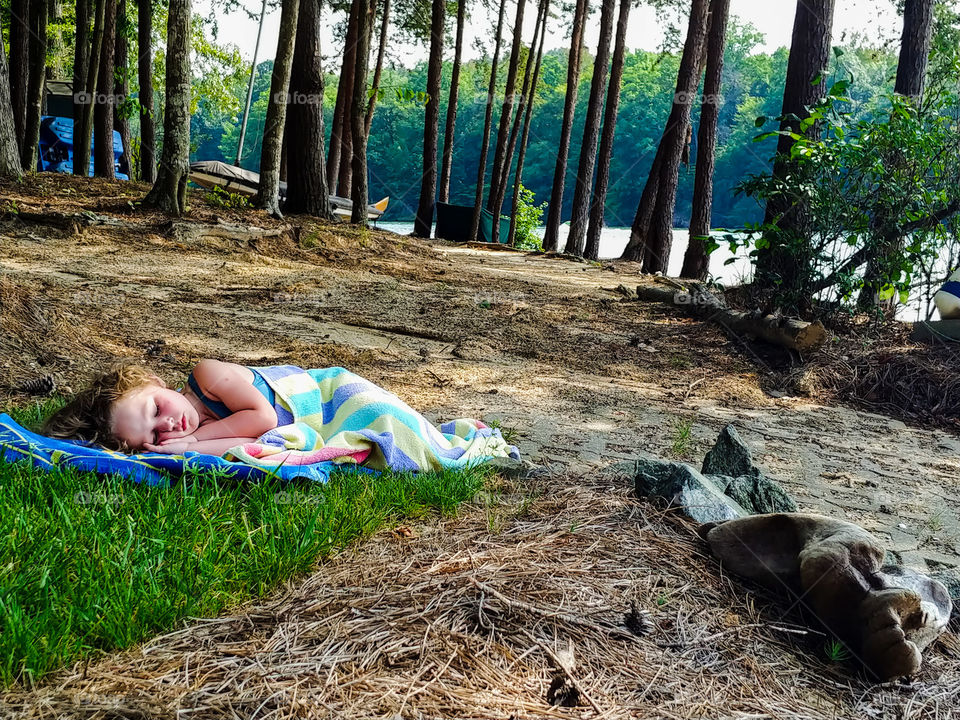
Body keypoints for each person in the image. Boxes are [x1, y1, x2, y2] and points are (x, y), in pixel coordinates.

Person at [43, 359, 282, 455]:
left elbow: (264, 419)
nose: (166, 425)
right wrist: (186, 448)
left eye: (156, 410)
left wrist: (195, 441)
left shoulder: (207, 376)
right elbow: (255, 445)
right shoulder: (195, 432)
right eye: (156, 436)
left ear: (154, 381)